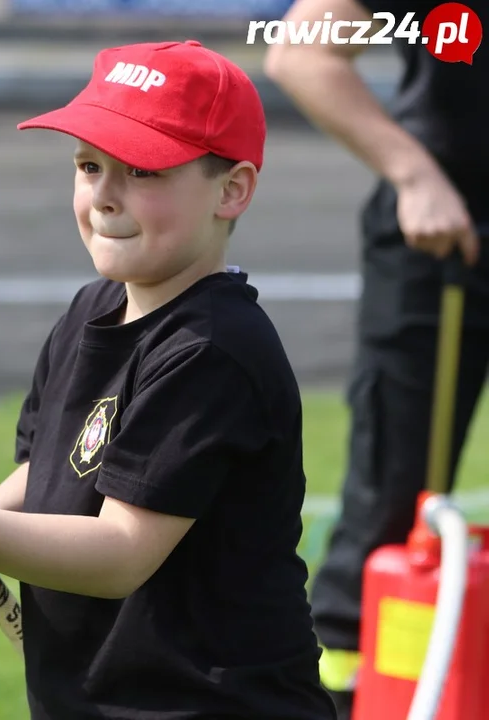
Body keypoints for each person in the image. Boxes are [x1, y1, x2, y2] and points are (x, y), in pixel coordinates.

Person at [0, 39, 337, 719]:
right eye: (88, 165)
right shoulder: (93, 309)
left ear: (233, 189)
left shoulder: (212, 350)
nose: (104, 195)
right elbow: (52, 462)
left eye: (142, 170)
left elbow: (121, 553)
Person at [264, 1, 488, 716]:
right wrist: (414, 174)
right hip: (444, 234)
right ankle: (349, 694)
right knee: (395, 500)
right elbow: (303, 52)